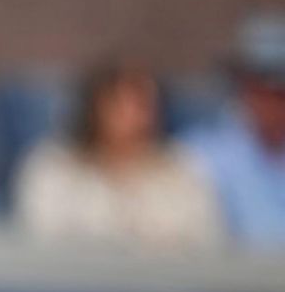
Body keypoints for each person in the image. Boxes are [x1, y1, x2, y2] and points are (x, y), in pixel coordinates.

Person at [14, 58, 224, 252]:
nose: (133, 115)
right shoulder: (52, 168)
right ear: (96, 107)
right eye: (120, 103)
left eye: (142, 104)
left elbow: (205, 242)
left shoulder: (181, 169)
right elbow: (36, 241)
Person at [185, 12, 285, 251]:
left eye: (280, 93)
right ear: (243, 85)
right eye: (263, 88)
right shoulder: (200, 155)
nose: (273, 103)